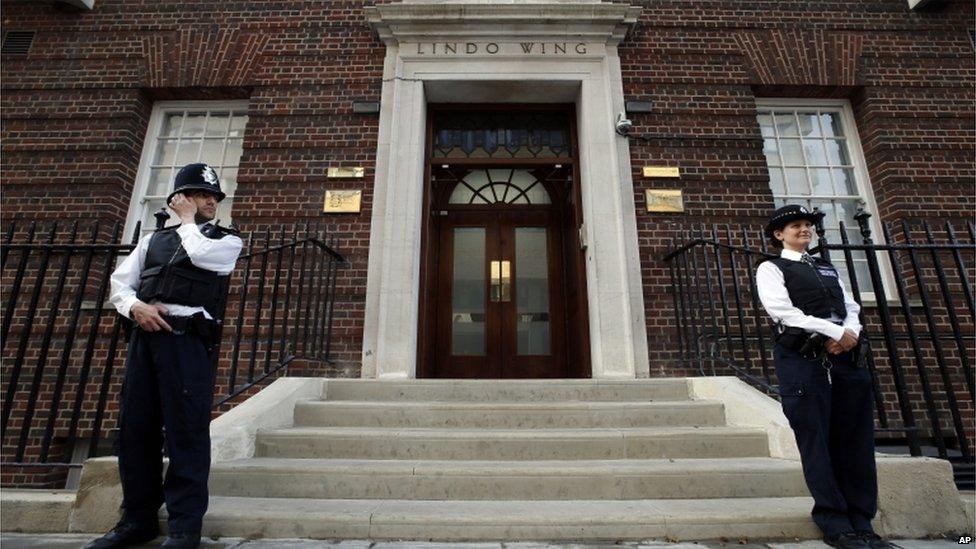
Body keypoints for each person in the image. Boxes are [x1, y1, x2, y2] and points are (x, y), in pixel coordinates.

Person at [86, 163, 243, 549]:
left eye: (213, 196)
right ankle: (136, 519)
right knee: (136, 428)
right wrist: (134, 307)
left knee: (185, 431)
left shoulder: (226, 241)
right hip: (147, 337)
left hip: (187, 340)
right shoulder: (153, 240)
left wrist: (188, 220)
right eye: (200, 194)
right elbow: (120, 284)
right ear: (179, 198)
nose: (209, 201)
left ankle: (184, 527)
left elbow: (203, 256)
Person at [755, 204, 893, 549]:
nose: (805, 230)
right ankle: (835, 523)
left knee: (855, 440)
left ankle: (862, 522)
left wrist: (848, 332)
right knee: (816, 439)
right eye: (797, 225)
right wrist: (832, 330)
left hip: (845, 358)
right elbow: (781, 311)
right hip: (803, 359)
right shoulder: (771, 268)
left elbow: (851, 307)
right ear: (779, 234)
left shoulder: (826, 267)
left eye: (808, 225)